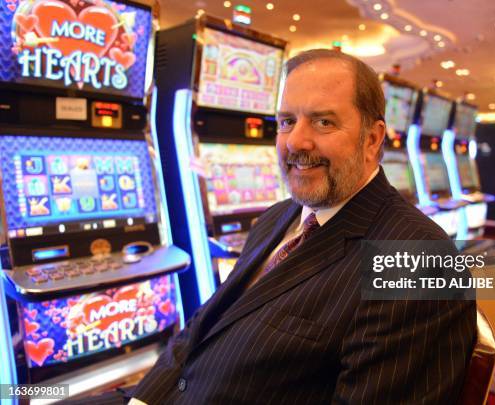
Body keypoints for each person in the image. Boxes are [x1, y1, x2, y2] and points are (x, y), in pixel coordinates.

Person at [129, 49, 476, 404]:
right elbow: (201, 327)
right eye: (286, 122)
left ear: (372, 140)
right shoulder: (278, 217)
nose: (295, 141)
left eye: (323, 122)